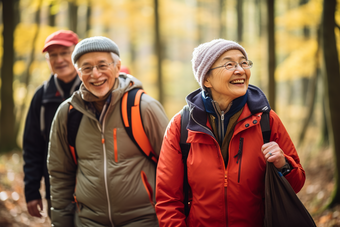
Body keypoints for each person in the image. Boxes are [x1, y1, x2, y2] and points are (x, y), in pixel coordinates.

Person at [155, 39, 306, 227]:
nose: (241, 70)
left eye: (244, 63)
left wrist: (283, 164)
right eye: (229, 64)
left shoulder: (267, 120)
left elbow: (297, 184)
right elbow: (168, 200)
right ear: (206, 79)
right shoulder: (182, 125)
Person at [47, 36, 169, 227]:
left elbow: (172, 167)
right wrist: (61, 221)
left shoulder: (144, 108)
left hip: (144, 220)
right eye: (87, 68)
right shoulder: (67, 113)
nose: (95, 74)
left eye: (102, 65)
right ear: (78, 73)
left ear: (117, 66)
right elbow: (60, 173)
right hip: (88, 221)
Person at [23, 30, 81, 219]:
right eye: (53, 55)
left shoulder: (93, 90)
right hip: (55, 190)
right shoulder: (41, 97)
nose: (59, 59)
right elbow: (32, 147)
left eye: (64, 53)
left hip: (93, 187)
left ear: (77, 53)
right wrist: (31, 191)